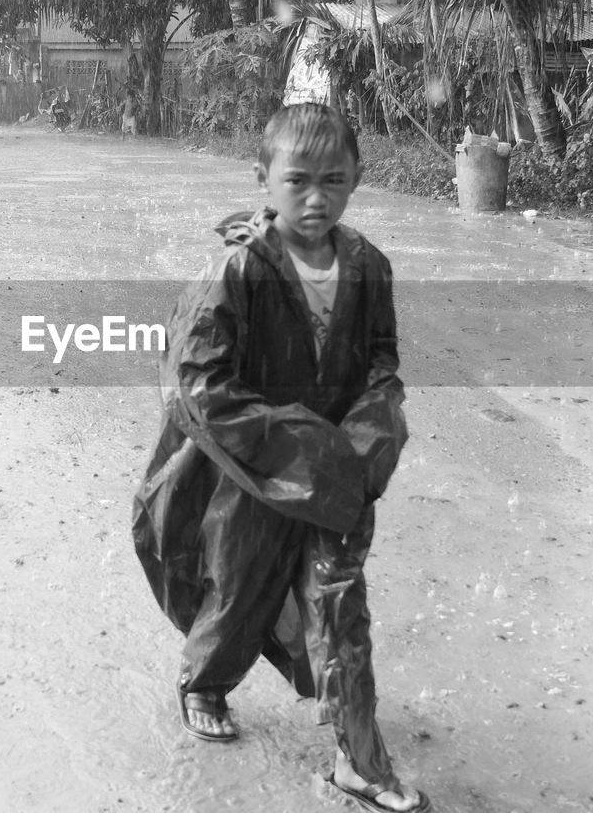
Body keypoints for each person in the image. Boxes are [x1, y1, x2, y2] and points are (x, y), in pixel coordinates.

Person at [132, 102, 430, 812]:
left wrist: (366, 438)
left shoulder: (367, 267)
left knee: (339, 605)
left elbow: (382, 363)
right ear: (262, 178)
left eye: (334, 180)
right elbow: (198, 385)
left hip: (336, 475)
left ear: (358, 177)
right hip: (252, 472)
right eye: (297, 181)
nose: (316, 198)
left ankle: (360, 759)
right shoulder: (236, 271)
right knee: (239, 591)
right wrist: (295, 445)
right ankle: (204, 681)